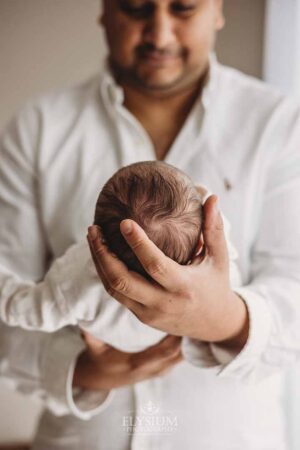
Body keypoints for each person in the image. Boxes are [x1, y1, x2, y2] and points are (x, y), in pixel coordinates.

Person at [0, 0, 300, 449]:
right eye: (136, 9)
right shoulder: (38, 127)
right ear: (104, 9)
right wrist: (81, 370)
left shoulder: (280, 124)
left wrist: (223, 319)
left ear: (217, 9)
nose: (159, 36)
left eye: (183, 9)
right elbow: (8, 300)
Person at [0, 160, 241, 351]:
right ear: (200, 243)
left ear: (99, 234)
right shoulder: (212, 258)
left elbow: (25, 310)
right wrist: (201, 195)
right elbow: (216, 233)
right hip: (174, 341)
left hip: (114, 343)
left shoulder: (77, 280)